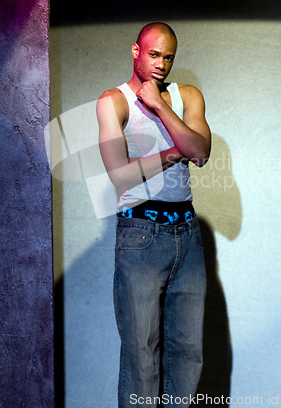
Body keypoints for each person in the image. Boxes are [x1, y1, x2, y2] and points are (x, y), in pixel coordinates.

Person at [97, 22, 211, 407]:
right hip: (140, 234)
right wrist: (171, 153)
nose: (162, 63)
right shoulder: (114, 101)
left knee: (187, 353)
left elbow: (200, 151)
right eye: (154, 54)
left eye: (169, 57)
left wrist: (161, 106)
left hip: (188, 235)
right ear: (135, 51)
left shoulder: (187, 95)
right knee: (141, 357)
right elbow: (120, 174)